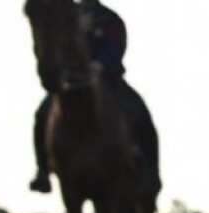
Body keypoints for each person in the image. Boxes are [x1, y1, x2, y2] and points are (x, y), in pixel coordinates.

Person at [29, 0, 159, 196]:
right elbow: (58, 43)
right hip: (71, 83)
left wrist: (101, 65)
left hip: (109, 79)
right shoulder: (69, 16)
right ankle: (43, 171)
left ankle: (151, 172)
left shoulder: (110, 18)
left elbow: (117, 45)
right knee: (42, 113)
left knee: (139, 110)